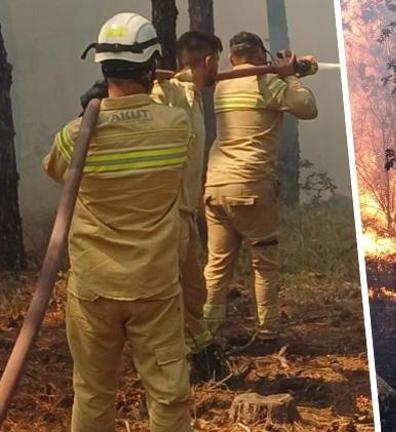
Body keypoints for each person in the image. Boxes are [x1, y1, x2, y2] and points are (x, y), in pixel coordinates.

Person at [45, 13, 192, 431]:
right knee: (167, 395)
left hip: (95, 286)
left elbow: (54, 169)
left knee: (92, 392)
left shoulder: (76, 135)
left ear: (101, 69)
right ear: (150, 68)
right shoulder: (175, 126)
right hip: (155, 286)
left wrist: (92, 113)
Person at [202, 31, 318, 341]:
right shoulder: (266, 83)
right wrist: (290, 77)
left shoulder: (222, 83)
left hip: (215, 186)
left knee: (217, 266)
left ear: (231, 58)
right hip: (251, 186)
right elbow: (307, 107)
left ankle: (206, 334)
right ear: (261, 56)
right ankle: (268, 333)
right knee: (264, 263)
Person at [151, 30, 224, 381]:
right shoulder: (166, 93)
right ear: (209, 62)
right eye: (217, 64)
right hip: (166, 215)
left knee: (195, 291)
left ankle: (202, 353)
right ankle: (172, 369)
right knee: (170, 294)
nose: (218, 72)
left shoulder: (193, 96)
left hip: (186, 213)